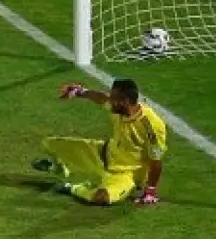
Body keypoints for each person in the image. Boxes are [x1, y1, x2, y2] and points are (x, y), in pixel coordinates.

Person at [31, 79, 166, 206]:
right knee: (48, 143)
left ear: (125, 101)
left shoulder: (151, 126)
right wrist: (79, 91)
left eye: (113, 98)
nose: (110, 100)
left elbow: (156, 160)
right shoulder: (118, 108)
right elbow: (101, 98)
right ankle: (58, 167)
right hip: (103, 153)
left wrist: (150, 191)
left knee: (101, 198)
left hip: (126, 173)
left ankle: (73, 189)